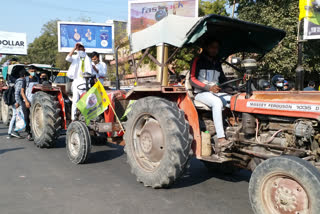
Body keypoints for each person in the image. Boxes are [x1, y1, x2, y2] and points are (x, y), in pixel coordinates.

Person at [190, 40, 233, 153]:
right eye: (212, 47)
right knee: (217, 102)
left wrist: (234, 91)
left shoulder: (217, 62)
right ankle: (221, 138)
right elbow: (192, 79)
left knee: (235, 100)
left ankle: (233, 129)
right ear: (206, 47)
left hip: (215, 92)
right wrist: (208, 88)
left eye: (216, 48)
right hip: (201, 93)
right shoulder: (197, 60)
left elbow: (223, 80)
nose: (214, 50)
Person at [66, 43, 96, 121]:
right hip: (76, 81)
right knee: (75, 100)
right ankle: (74, 118)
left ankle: (87, 117)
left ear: (84, 49)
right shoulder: (75, 57)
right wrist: (74, 48)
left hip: (85, 82)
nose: (80, 50)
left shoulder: (88, 59)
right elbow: (67, 58)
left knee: (87, 101)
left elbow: (90, 71)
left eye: (81, 49)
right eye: (78, 49)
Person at [15, 70, 33, 141]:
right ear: (25, 75)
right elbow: (18, 93)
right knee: (24, 117)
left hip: (30, 100)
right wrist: (18, 102)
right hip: (24, 101)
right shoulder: (20, 81)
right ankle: (27, 132)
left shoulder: (34, 80)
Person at [7, 70, 23, 139]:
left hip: (14, 101)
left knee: (15, 116)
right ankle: (14, 131)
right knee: (18, 116)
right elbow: (17, 93)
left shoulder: (12, 81)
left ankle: (10, 132)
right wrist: (17, 102)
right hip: (16, 101)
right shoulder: (18, 82)